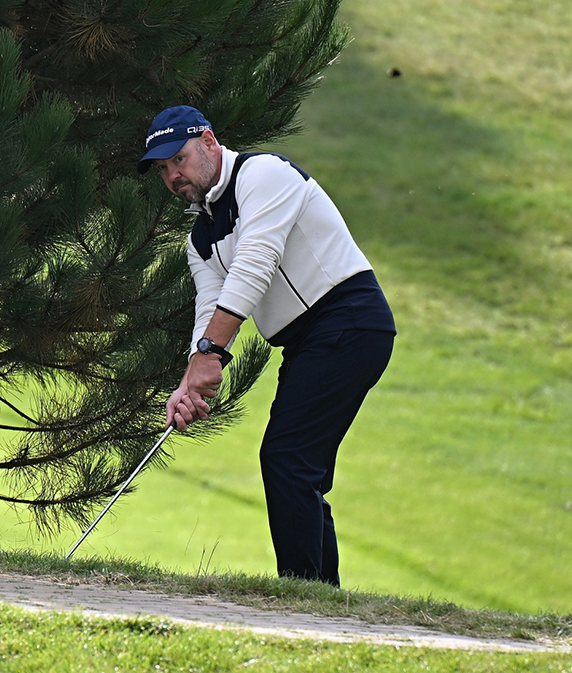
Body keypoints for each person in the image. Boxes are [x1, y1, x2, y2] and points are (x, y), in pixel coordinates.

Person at [138, 105, 395, 587]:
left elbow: (255, 264)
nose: (173, 175)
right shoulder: (200, 238)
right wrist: (189, 380)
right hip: (307, 343)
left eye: (180, 159)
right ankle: (320, 597)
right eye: (163, 169)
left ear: (209, 142)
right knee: (298, 468)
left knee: (286, 458)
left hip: (349, 321)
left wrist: (210, 354)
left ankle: (301, 594)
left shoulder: (264, 174)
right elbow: (209, 306)